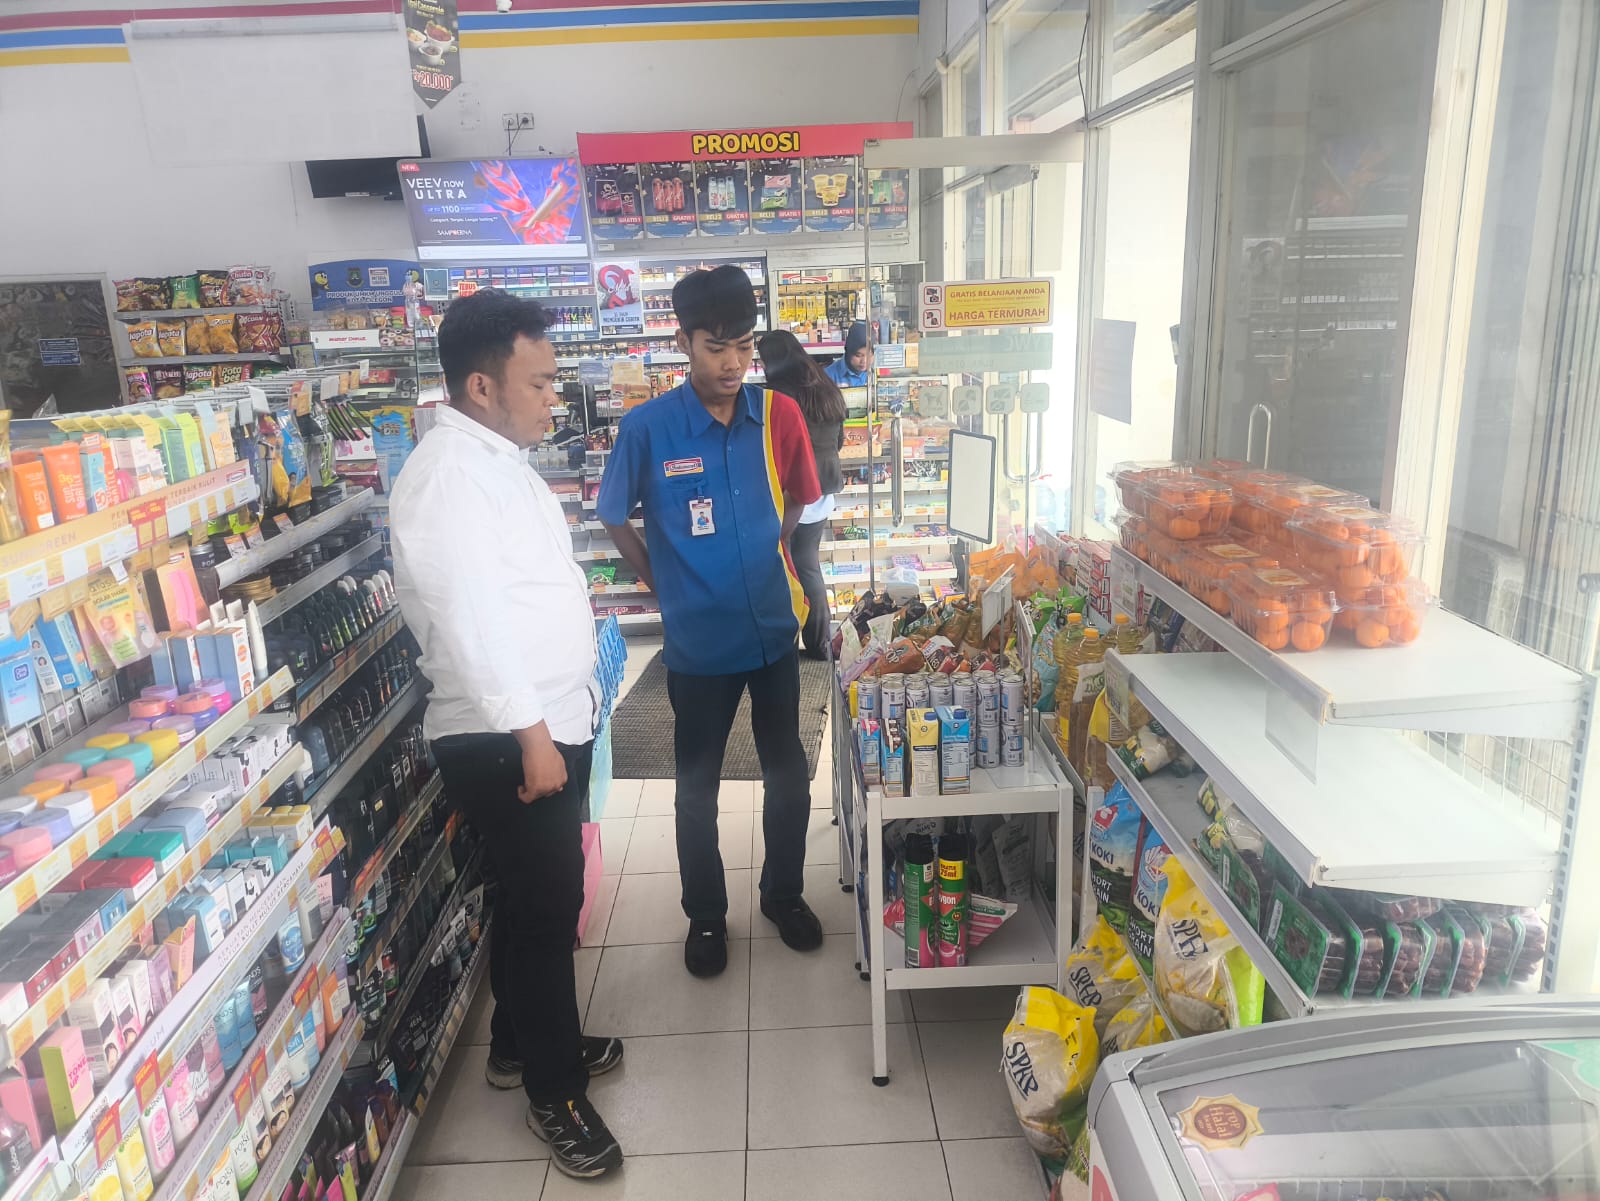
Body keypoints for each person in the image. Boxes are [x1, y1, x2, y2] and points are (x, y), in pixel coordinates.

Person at [389, 290, 624, 1180]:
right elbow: (472, 623)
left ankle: (520, 1044)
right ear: (482, 385)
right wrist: (533, 736)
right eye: (540, 381)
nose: (553, 396)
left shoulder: (497, 458)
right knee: (543, 912)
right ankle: (555, 1093)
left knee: (537, 903)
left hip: (547, 721)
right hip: (508, 736)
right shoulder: (449, 477)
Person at [597, 266, 825, 978]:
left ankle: (782, 894)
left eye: (745, 346)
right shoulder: (649, 428)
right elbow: (613, 514)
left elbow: (800, 498)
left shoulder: (778, 415)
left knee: (789, 775)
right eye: (716, 346)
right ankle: (705, 915)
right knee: (696, 789)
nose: (733, 363)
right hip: (697, 644)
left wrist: (769, 550)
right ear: (684, 342)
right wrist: (662, 581)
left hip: (772, 630)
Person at [758, 329, 846, 660]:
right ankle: (820, 641)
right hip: (823, 489)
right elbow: (839, 441)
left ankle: (789, 641)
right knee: (808, 564)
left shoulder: (777, 395)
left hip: (792, 489)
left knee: (786, 566)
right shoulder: (826, 386)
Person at [823, 320, 873, 387]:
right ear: (849, 352)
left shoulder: (876, 373)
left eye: (869, 355)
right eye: (858, 355)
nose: (864, 361)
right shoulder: (827, 376)